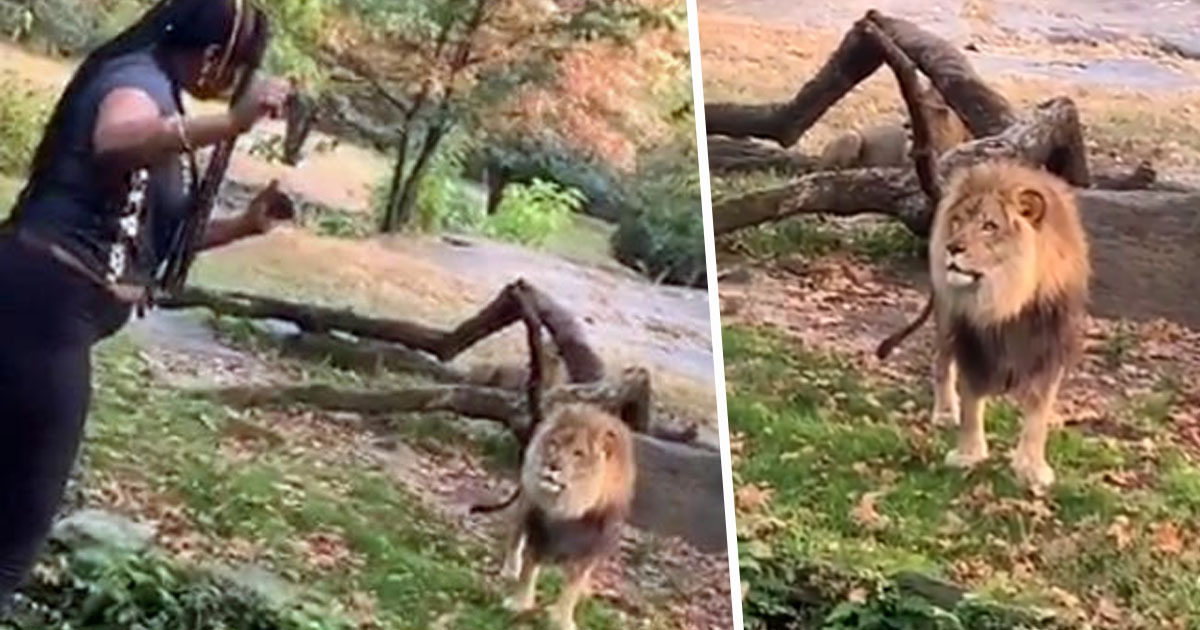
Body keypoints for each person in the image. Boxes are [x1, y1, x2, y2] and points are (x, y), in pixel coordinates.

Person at [0, 0, 293, 606]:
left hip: (41, 310)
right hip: (41, 312)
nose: (233, 83)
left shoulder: (162, 91)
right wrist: (232, 125)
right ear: (212, 57)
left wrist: (244, 224)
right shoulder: (138, 81)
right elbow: (117, 139)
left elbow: (150, 234)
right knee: (18, 525)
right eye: (235, 68)